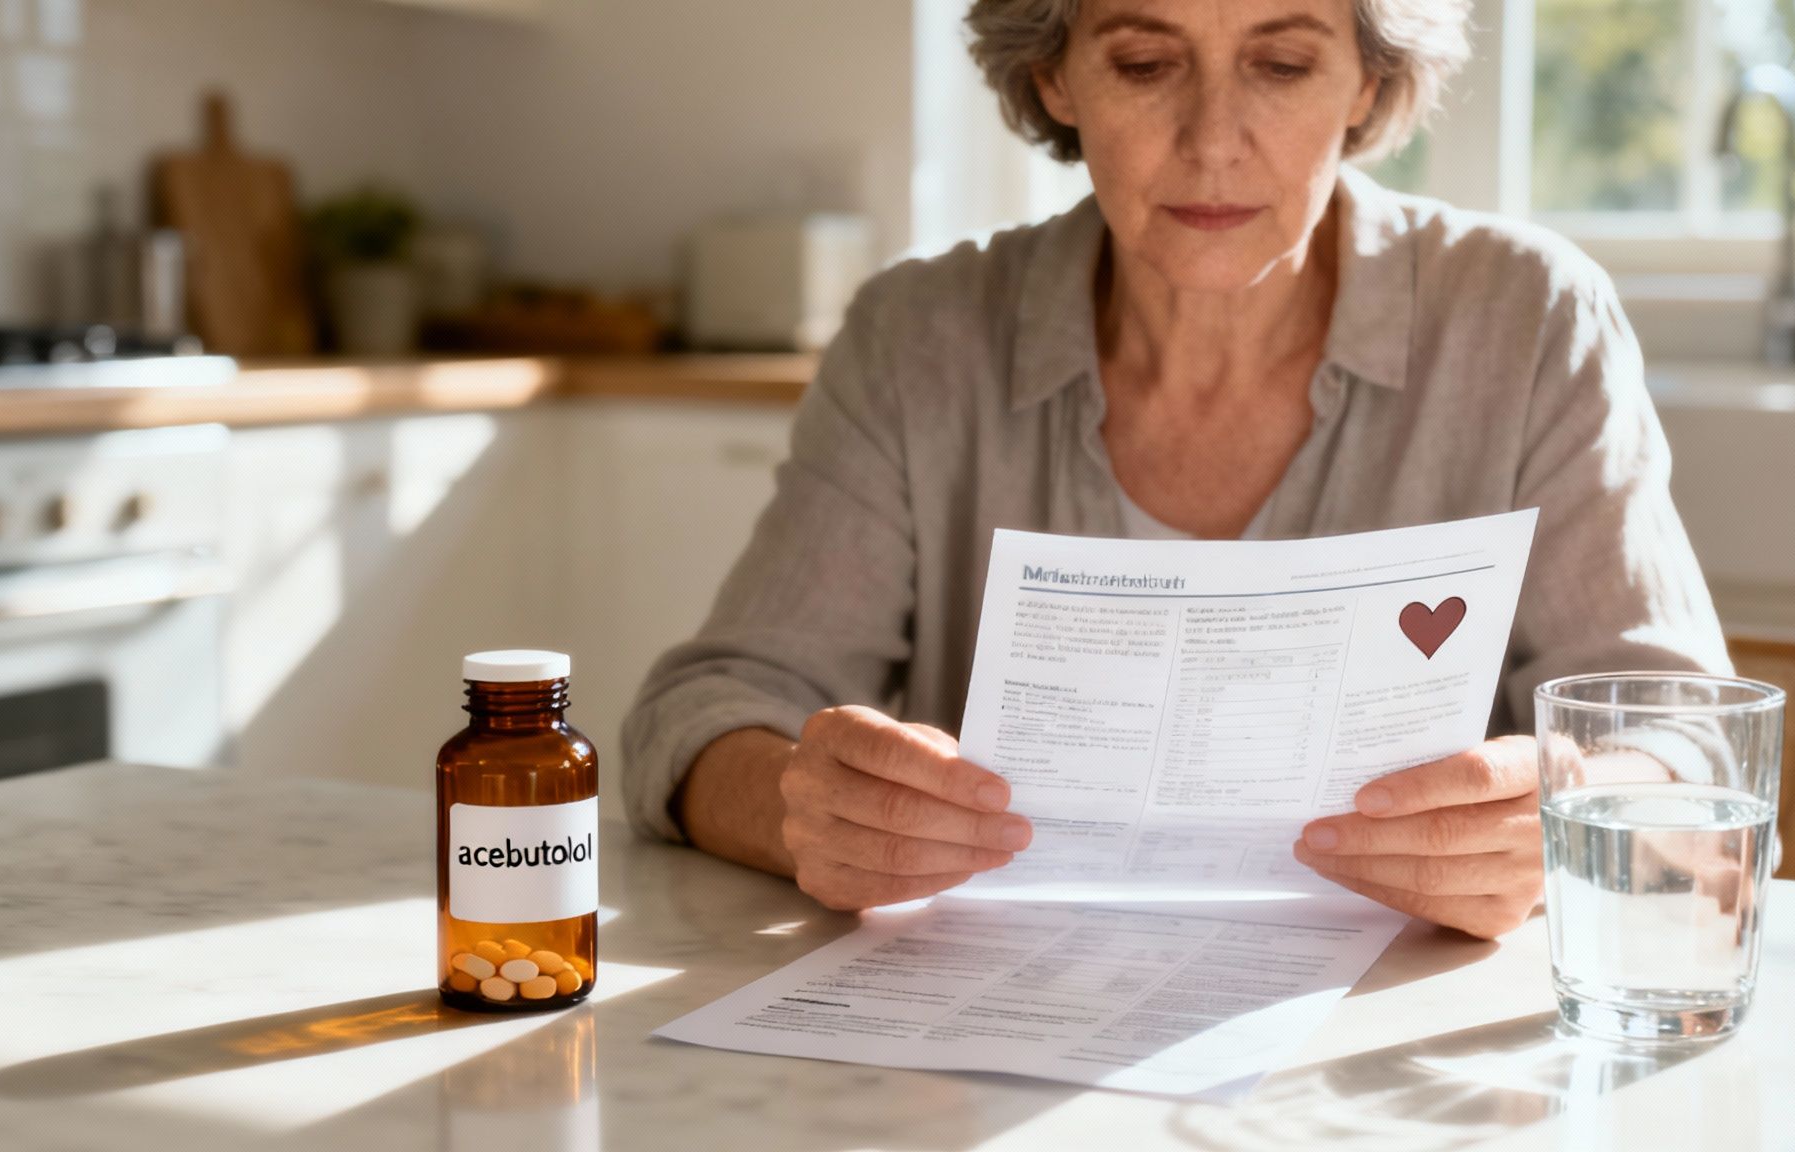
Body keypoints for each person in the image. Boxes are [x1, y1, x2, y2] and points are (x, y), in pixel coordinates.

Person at [621, 0, 1730, 940]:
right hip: (999, 1037)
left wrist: (1564, 806)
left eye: (1281, 64)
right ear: (1054, 75)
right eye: (1145, 65)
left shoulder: (1525, 318)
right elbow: (702, 711)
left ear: (1364, 80)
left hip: (1386, 1047)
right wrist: (801, 808)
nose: (1211, 142)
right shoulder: (918, 335)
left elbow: (1690, 742)